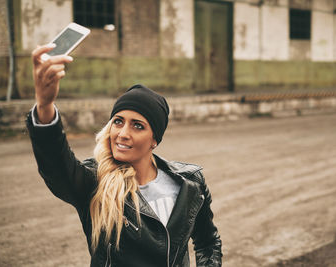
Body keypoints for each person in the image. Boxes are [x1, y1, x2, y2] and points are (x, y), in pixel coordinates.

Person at [26, 44, 222, 267]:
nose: (122, 134)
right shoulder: (96, 181)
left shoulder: (190, 182)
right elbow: (57, 166)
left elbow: (208, 242)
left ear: (154, 140)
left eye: (137, 126)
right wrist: (45, 106)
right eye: (118, 121)